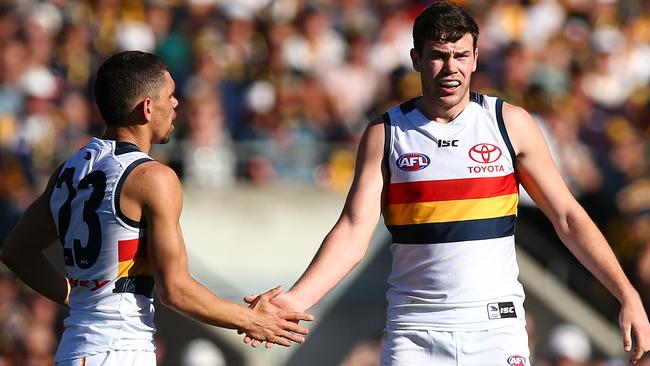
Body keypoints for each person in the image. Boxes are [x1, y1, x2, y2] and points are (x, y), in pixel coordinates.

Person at [243, 2, 650, 365]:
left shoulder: (509, 124)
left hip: (495, 327)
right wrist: (295, 301)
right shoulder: (386, 133)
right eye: (438, 56)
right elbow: (352, 231)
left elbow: (568, 217)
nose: (451, 67)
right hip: (415, 330)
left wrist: (626, 295)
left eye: (461, 55)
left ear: (475, 58)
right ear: (416, 59)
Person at [0, 51, 313, 365]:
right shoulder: (153, 178)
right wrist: (251, 319)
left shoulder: (69, 170)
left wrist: (79, 299)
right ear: (147, 107)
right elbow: (175, 290)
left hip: (75, 350)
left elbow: (16, 251)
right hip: (119, 351)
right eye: (170, 95)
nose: (176, 104)